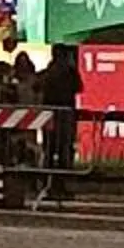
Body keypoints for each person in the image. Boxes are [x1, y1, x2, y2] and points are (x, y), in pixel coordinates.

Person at [37, 41, 82, 198]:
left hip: (55, 117)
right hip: (61, 117)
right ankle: (56, 184)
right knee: (60, 151)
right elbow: (78, 87)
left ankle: (52, 184)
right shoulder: (65, 72)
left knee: (53, 151)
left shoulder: (50, 72)